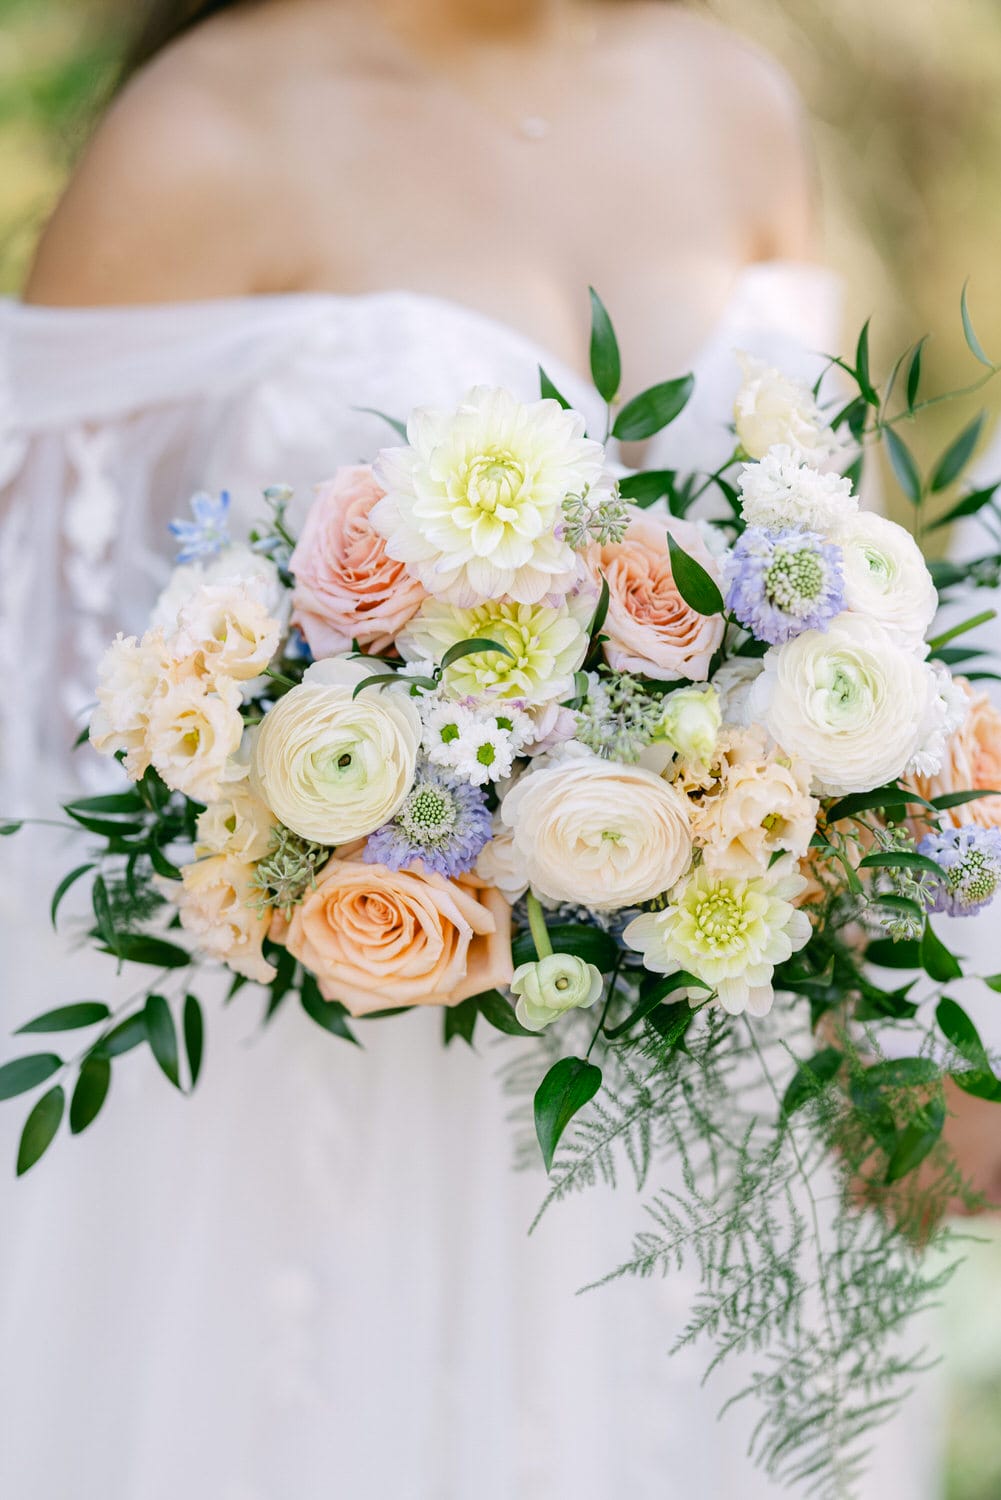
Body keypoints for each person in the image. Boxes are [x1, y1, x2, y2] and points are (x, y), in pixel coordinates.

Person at [0, 2, 942, 1495]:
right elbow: (53, 690)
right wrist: (352, 792)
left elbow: (864, 591)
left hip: (703, 1071)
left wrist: (890, 996)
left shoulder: (731, 97)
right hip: (323, 1080)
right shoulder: (203, 130)